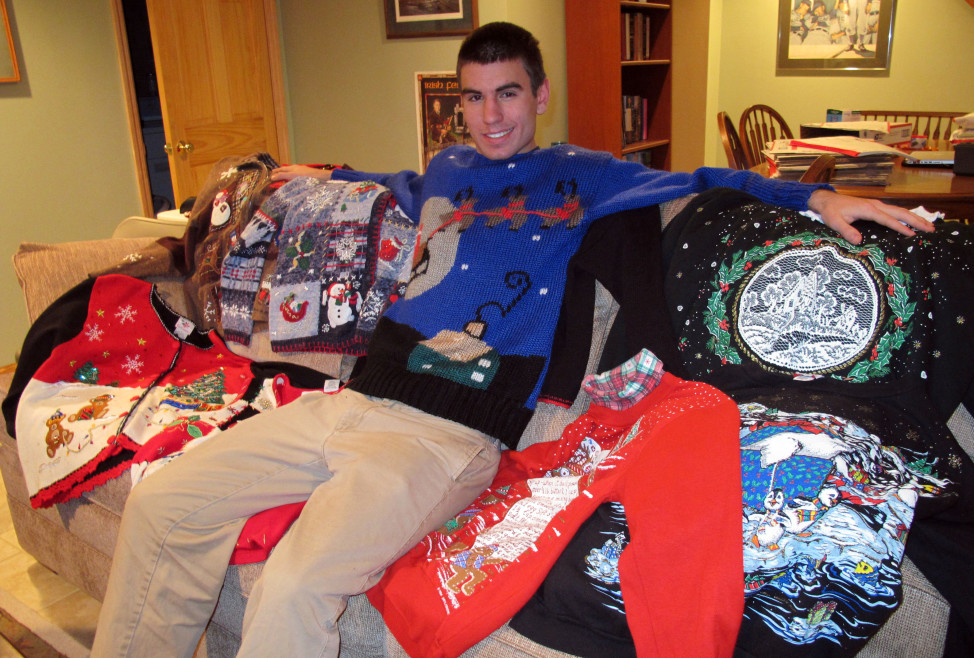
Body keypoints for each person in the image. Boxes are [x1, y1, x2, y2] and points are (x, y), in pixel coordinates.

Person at [91, 21, 933, 657]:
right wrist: (314, 173)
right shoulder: (452, 169)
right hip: (349, 403)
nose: (489, 116)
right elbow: (398, 183)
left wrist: (816, 200)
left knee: (297, 583)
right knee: (168, 501)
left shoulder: (586, 173)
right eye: (473, 97)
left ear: (538, 96)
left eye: (506, 95)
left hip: (444, 435)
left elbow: (706, 178)